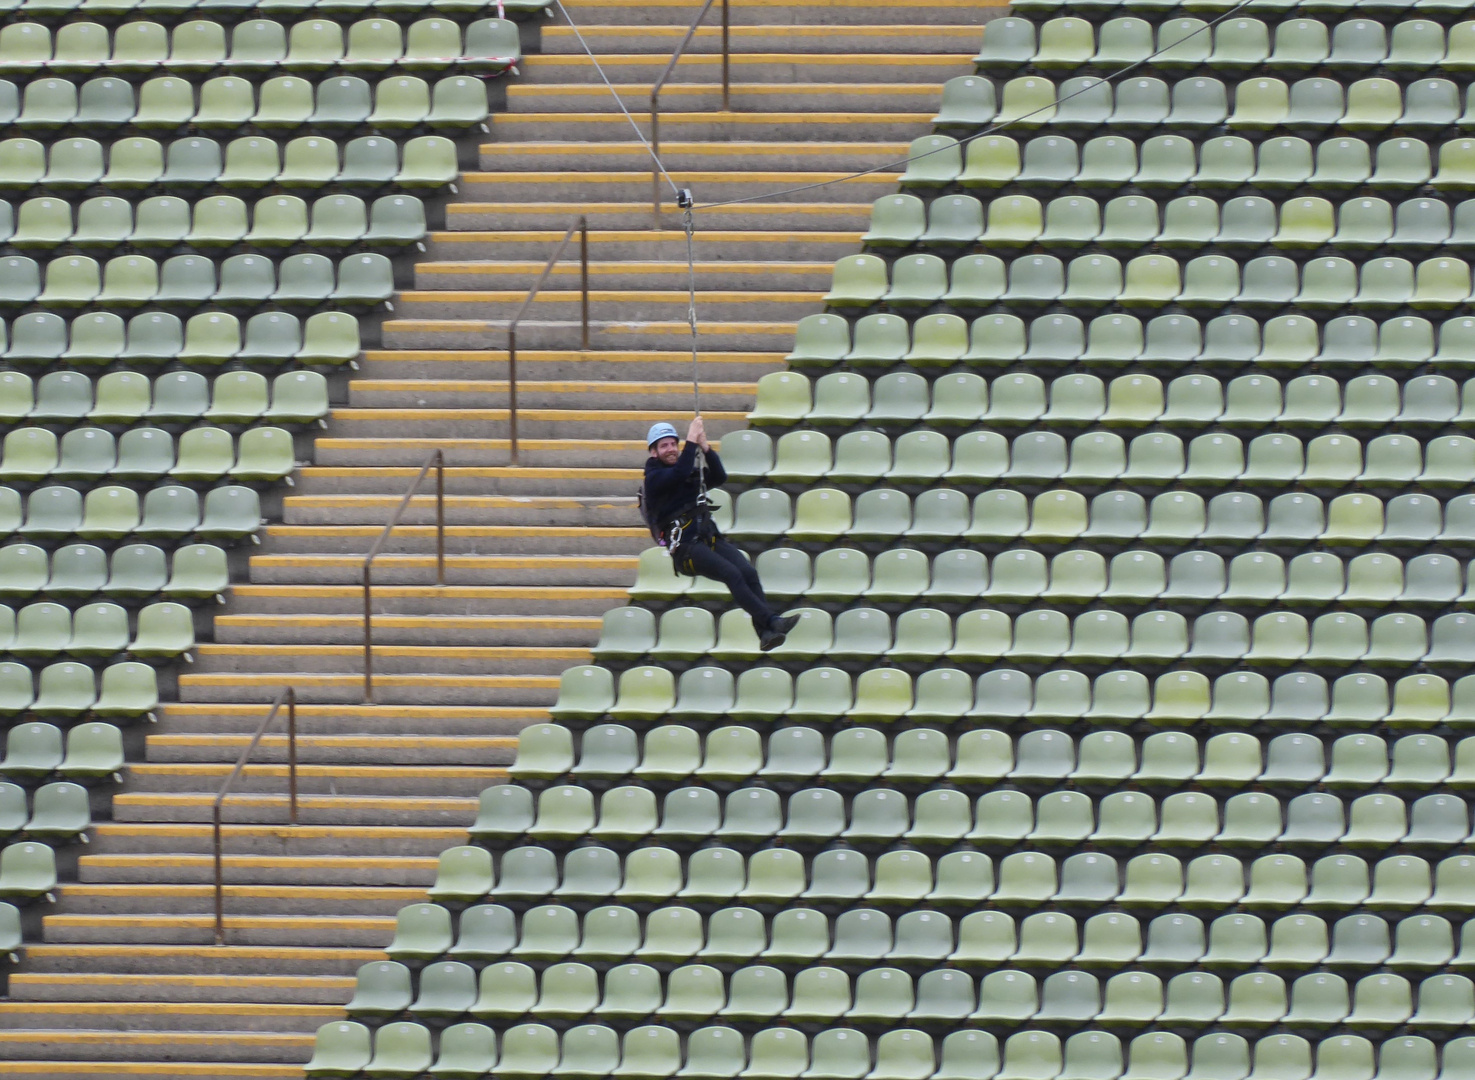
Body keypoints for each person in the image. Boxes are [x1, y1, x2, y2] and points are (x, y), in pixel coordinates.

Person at [642, 418, 799, 651]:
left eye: (673, 444)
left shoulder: (684, 472)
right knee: (731, 574)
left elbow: (719, 476)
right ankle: (772, 621)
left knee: (748, 572)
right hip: (686, 550)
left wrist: (705, 447)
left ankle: (766, 633)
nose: (671, 449)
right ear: (654, 452)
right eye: (663, 446)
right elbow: (680, 472)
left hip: (707, 539)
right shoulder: (654, 478)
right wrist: (691, 441)